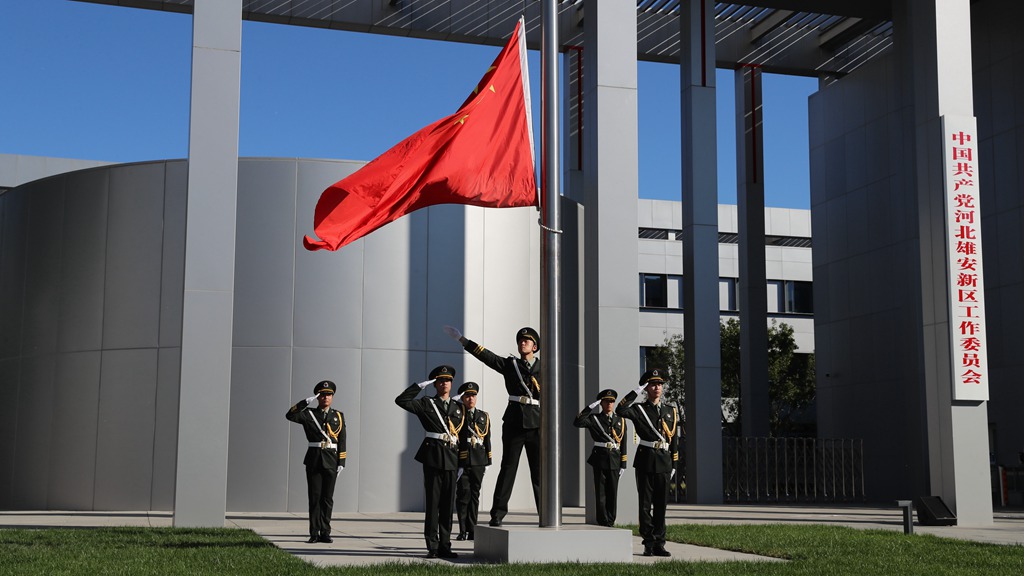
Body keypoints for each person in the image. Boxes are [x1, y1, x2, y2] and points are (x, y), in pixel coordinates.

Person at [445, 325, 540, 527]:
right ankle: (497, 514)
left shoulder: (545, 368)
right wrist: (462, 340)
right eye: (520, 340)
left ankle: (546, 513)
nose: (523, 342)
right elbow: (486, 356)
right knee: (508, 469)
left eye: (527, 340)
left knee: (539, 472)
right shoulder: (510, 365)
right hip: (515, 421)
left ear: (535, 346)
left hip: (537, 423)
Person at [395, 365, 465, 559]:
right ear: (435, 383)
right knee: (433, 505)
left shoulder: (459, 408)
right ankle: (432, 546)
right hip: (433, 457)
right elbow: (401, 400)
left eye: (448, 380)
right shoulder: (427, 403)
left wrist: (462, 463)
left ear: (452, 384)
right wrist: (419, 386)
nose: (444, 383)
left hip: (451, 459)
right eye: (440, 380)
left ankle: (445, 545)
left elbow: (463, 437)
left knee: (447, 505)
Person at [616, 369, 679, 557]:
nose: (657, 387)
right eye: (652, 384)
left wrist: (674, 463)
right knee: (645, 505)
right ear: (646, 387)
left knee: (661, 505)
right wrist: (636, 390)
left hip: (664, 462)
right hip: (645, 460)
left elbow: (674, 439)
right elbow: (620, 409)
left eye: (659, 384)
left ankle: (660, 542)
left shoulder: (671, 410)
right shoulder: (639, 409)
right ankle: (648, 543)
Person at [285, 380, 347, 544]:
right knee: (314, 497)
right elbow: (290, 415)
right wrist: (304, 403)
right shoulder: (308, 413)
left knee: (327, 498)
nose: (326, 398)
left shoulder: (338, 416)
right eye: (322, 395)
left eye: (329, 395)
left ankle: (325, 532)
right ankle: (314, 533)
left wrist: (342, 461)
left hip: (332, 460)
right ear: (318, 397)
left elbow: (342, 440)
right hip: (314, 459)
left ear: (332, 397)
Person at [573, 388, 628, 527]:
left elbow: (624, 444)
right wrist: (591, 406)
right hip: (600, 459)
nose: (609, 404)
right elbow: (578, 422)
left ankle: (611, 520)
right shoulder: (594, 419)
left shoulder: (620, 420)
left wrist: (623, 464)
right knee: (601, 493)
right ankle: (602, 520)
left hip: (615, 459)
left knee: (613, 492)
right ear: (601, 403)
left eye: (612, 401)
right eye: (606, 401)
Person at [454, 381, 492, 540]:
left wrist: (488, 461)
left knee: (475, 496)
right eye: (467, 396)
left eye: (473, 395)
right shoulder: (456, 415)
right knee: (463, 496)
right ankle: (462, 530)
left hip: (478, 461)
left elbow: (488, 439)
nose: (471, 399)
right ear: (462, 397)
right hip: (462, 461)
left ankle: (472, 530)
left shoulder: (484, 416)